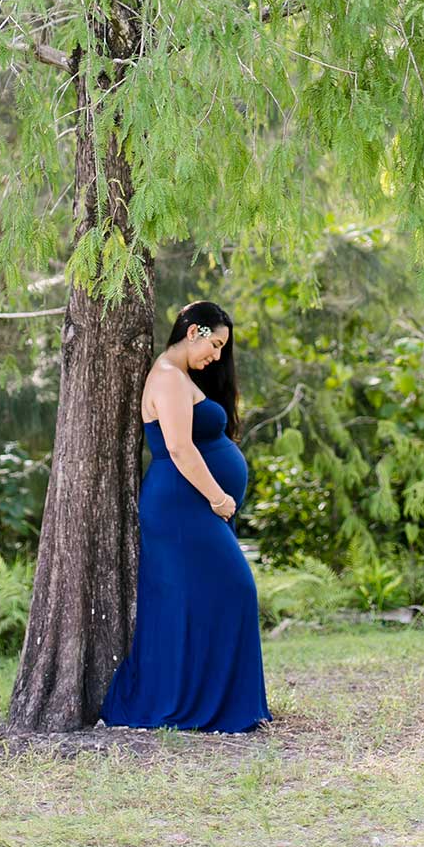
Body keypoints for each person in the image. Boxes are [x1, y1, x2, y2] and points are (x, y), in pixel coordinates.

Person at [98, 299, 273, 734]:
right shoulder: (169, 378)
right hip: (184, 506)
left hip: (190, 504)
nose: (216, 356)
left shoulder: (180, 377)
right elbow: (179, 448)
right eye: (213, 344)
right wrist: (218, 498)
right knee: (235, 589)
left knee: (195, 601)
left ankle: (209, 701)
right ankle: (203, 703)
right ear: (193, 330)